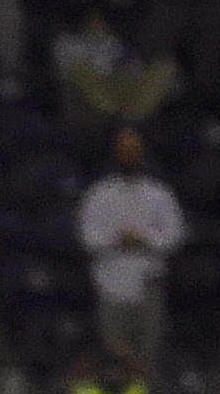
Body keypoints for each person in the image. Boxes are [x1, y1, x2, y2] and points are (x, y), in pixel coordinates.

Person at [79, 129, 186, 370]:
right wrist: (117, 240)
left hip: (149, 282)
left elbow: (174, 236)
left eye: (133, 151)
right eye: (124, 151)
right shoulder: (99, 194)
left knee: (147, 356)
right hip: (110, 283)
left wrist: (144, 240)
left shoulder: (160, 194)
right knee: (114, 355)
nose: (129, 156)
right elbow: (88, 237)